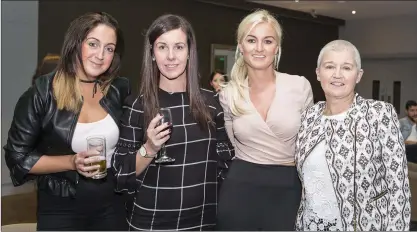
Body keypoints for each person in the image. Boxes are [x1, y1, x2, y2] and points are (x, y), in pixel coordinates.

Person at [3, 12, 130, 231]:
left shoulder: (118, 89)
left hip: (113, 204)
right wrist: (72, 162)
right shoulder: (42, 93)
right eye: (93, 44)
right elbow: (17, 157)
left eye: (109, 48)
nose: (100, 55)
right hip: (61, 207)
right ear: (75, 43)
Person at [112, 14, 234, 231]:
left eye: (178, 47)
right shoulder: (137, 105)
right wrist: (149, 148)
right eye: (162, 47)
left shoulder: (212, 103)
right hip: (150, 222)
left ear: (189, 52)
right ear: (151, 53)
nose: (170, 56)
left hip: (204, 221)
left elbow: (225, 166)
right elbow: (121, 174)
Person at [295, 40, 410, 231]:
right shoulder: (309, 116)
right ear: (318, 73)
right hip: (310, 225)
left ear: (358, 75)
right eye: (329, 66)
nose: (337, 74)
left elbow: (398, 187)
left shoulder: (379, 114)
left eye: (346, 68)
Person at [217, 9, 314, 230]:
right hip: (239, 188)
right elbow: (231, 143)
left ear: (277, 47)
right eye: (252, 40)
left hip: (288, 188)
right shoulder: (229, 93)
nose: (259, 48)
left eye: (267, 41)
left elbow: (310, 145)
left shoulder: (299, 86)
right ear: (241, 46)